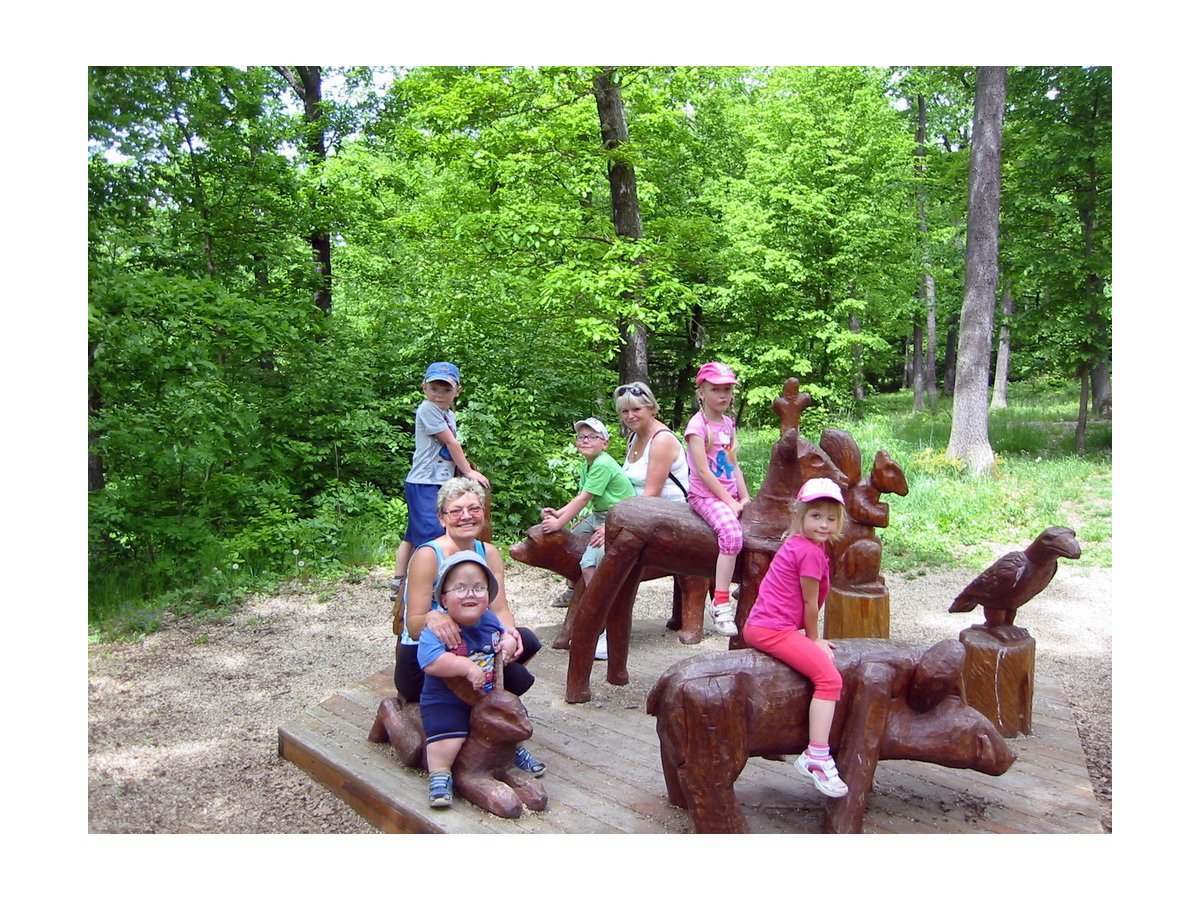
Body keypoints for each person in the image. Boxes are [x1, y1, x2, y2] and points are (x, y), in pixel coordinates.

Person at [395, 477, 546, 778]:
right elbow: (413, 624)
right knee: (512, 678)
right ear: (442, 518)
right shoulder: (428, 555)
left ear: (483, 514)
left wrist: (509, 635)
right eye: (456, 510)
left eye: (474, 509)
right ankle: (463, 725)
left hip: (472, 645)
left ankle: (488, 717)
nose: (466, 516)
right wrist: (431, 617)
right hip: (429, 657)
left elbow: (499, 608)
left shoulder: (488, 553)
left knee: (525, 641)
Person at [742, 477, 848, 798]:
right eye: (816, 516)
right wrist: (814, 639)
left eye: (831, 518)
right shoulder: (810, 553)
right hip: (772, 629)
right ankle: (817, 755)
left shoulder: (801, 543)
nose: (824, 524)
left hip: (766, 624)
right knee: (830, 680)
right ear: (800, 515)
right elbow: (809, 603)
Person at [418, 549, 518, 808]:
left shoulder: (489, 620)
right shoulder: (438, 630)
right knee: (448, 737)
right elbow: (430, 661)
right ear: (444, 599)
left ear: (488, 596)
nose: (470, 594)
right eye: (460, 588)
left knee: (509, 721)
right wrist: (464, 666)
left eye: (478, 588)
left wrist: (507, 642)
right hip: (446, 698)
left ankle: (514, 754)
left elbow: (503, 635)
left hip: (485, 695)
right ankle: (440, 773)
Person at [389, 362, 490, 609]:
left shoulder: (448, 415)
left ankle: (399, 579)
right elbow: (451, 444)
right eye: (434, 388)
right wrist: (468, 472)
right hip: (424, 482)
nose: (439, 395)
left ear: (457, 391)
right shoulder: (428, 409)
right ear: (424, 388)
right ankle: (429, 582)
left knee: (413, 533)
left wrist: (460, 471)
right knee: (431, 535)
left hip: (439, 482)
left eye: (446, 390)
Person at [540, 417, 635, 660]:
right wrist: (559, 514)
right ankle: (574, 587)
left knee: (589, 562)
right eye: (581, 437)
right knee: (569, 541)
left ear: (605, 443)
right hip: (599, 515)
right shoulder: (587, 465)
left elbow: (584, 499)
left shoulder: (603, 464)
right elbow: (583, 499)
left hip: (618, 517)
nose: (585, 441)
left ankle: (601, 617)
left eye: (593, 437)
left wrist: (558, 522)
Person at [684, 361, 751, 637]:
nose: (723, 395)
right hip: (705, 495)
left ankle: (746, 586)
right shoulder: (697, 427)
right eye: (715, 389)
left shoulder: (727, 423)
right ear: (701, 392)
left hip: (730, 493)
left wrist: (744, 496)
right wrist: (729, 501)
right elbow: (702, 471)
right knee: (732, 535)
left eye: (727, 390)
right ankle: (720, 603)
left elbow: (733, 464)